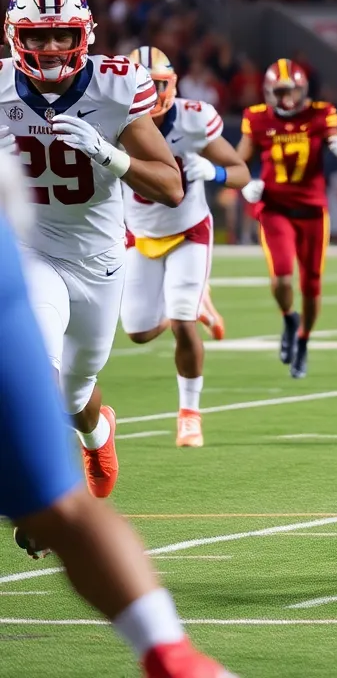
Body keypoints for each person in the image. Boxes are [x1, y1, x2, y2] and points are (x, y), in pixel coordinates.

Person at [0, 150, 234, 678]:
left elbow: (172, 186)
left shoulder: (121, 94)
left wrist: (114, 155)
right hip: (50, 253)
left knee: (61, 423)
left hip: (86, 259)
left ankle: (173, 659)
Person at [0, 0, 183, 502]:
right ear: (15, 37)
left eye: (62, 34)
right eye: (37, 36)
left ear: (85, 34)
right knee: (36, 366)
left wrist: (108, 153)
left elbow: (171, 186)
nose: (51, 47)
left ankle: (98, 432)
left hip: (99, 260)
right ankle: (49, 498)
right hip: (32, 249)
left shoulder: (116, 85)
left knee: (74, 394)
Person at [120, 46, 250, 447]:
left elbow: (242, 174)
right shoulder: (108, 115)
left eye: (156, 84)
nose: (150, 92)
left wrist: (213, 170)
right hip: (139, 233)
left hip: (189, 230)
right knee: (138, 333)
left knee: (181, 322)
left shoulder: (193, 118)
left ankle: (189, 413)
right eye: (141, 84)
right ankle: (199, 302)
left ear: (171, 84)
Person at [236, 58, 337, 379]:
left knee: (311, 285)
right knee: (280, 278)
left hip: (311, 211)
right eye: (279, 92)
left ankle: (303, 341)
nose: (286, 99)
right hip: (275, 207)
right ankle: (288, 317)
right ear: (268, 92)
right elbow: (238, 163)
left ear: (303, 90)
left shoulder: (320, 114)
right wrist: (245, 183)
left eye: (291, 91)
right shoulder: (256, 119)